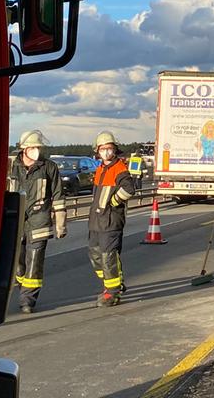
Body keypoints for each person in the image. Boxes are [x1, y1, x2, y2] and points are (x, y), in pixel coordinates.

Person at [8, 130, 65, 314]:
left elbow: (57, 196)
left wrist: (60, 223)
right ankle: (22, 285)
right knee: (17, 262)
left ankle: (27, 299)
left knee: (34, 261)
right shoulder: (11, 167)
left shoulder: (49, 167)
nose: (36, 151)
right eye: (32, 147)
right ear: (24, 148)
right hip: (15, 222)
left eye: (38, 147)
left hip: (39, 221)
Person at [89, 131, 137, 307]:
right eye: (103, 149)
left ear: (115, 150)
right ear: (98, 151)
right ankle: (113, 282)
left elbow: (129, 190)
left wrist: (113, 202)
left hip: (111, 221)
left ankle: (113, 292)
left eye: (109, 149)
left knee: (108, 256)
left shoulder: (120, 169)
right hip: (96, 220)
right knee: (95, 255)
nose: (106, 152)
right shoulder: (100, 168)